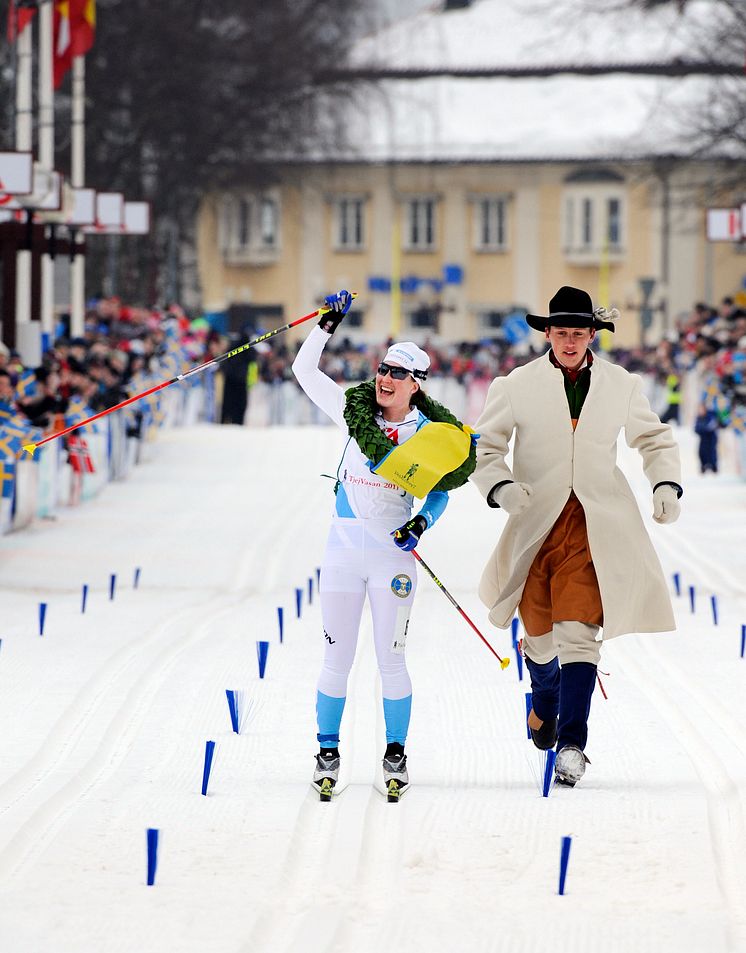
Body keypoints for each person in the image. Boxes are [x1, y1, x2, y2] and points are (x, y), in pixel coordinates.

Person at [471, 286, 682, 786]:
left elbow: (653, 437)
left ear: (593, 335)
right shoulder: (515, 385)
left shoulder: (621, 384)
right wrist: (500, 486)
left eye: (578, 333)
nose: (569, 341)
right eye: (561, 332)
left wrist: (666, 481)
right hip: (535, 524)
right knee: (541, 642)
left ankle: (573, 744)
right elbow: (487, 445)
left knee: (579, 637)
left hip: (593, 526)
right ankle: (543, 696)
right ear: (547, 334)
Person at [292, 290, 475, 800]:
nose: (384, 379)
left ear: (416, 385)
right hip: (344, 552)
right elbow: (305, 373)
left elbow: (440, 492)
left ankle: (395, 755)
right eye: (383, 369)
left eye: (397, 374)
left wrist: (420, 526)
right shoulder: (354, 414)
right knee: (336, 659)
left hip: (393, 556)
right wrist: (325, 326)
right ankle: (327, 752)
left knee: (391, 659)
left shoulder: (430, 433)